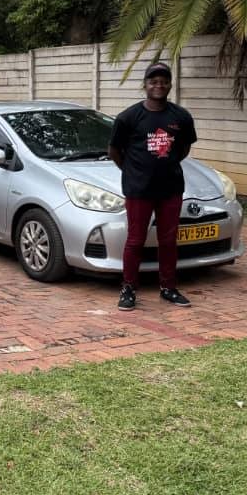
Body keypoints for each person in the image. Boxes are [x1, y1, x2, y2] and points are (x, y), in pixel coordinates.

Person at [108, 61, 198, 311]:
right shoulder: (128, 117)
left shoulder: (181, 116)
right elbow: (114, 151)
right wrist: (133, 171)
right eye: (153, 81)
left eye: (163, 81)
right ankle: (128, 288)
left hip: (171, 188)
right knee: (135, 240)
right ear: (145, 85)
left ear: (170, 85)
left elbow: (184, 148)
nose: (159, 85)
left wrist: (165, 165)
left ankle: (168, 287)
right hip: (139, 190)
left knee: (168, 240)